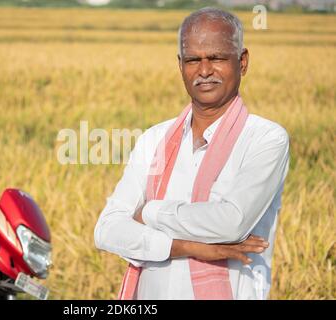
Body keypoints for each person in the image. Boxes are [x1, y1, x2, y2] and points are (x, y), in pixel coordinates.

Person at [94, 7, 290, 300]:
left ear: (243, 62)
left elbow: (230, 222)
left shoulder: (265, 138)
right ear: (180, 65)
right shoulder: (155, 139)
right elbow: (107, 230)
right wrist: (188, 246)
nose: (204, 70)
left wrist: (149, 212)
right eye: (193, 60)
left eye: (217, 58)